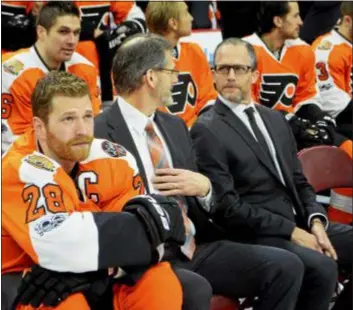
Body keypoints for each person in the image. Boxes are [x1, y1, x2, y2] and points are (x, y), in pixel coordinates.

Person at [95, 33, 307, 310]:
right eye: (172, 71)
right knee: (196, 289)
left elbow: (203, 198)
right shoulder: (98, 133)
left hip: (195, 245)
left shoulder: (174, 125)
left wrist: (205, 189)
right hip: (146, 256)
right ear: (151, 77)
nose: (177, 80)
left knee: (286, 266)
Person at [2, 71, 188, 310]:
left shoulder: (115, 157)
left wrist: (101, 265)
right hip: (28, 277)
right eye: (68, 119)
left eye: (88, 116)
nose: (82, 130)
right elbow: (61, 245)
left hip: (91, 273)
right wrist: (144, 229)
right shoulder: (18, 168)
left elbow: (154, 240)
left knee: (160, 280)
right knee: (67, 303)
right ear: (39, 127)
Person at [190, 37, 353, 310]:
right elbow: (227, 207)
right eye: (223, 69)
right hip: (255, 233)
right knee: (322, 266)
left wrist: (315, 220)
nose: (230, 76)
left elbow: (299, 181)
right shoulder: (206, 129)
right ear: (213, 75)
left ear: (254, 75)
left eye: (239, 69)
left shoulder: (275, 119)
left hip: (298, 222)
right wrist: (291, 231)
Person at [243, 1, 352, 154]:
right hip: (256, 129)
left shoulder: (302, 50)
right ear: (278, 21)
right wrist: (289, 121)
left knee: (344, 144)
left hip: (293, 125)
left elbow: (306, 96)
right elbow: (246, 104)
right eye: (295, 16)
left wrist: (318, 116)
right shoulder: (245, 51)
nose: (301, 22)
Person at [1, 1, 101, 154]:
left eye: (76, 32)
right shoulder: (12, 72)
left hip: (70, 154)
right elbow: (13, 142)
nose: (72, 41)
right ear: (41, 32)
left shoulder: (85, 68)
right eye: (63, 32)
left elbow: (92, 128)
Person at [312, 1, 352, 225]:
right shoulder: (327, 49)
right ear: (347, 20)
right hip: (335, 123)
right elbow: (336, 106)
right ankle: (339, 225)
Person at [145, 1, 217, 128]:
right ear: (173, 23)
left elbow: (208, 98)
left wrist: (202, 130)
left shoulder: (195, 52)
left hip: (196, 134)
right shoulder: (141, 58)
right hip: (159, 137)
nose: (192, 18)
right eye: (186, 13)